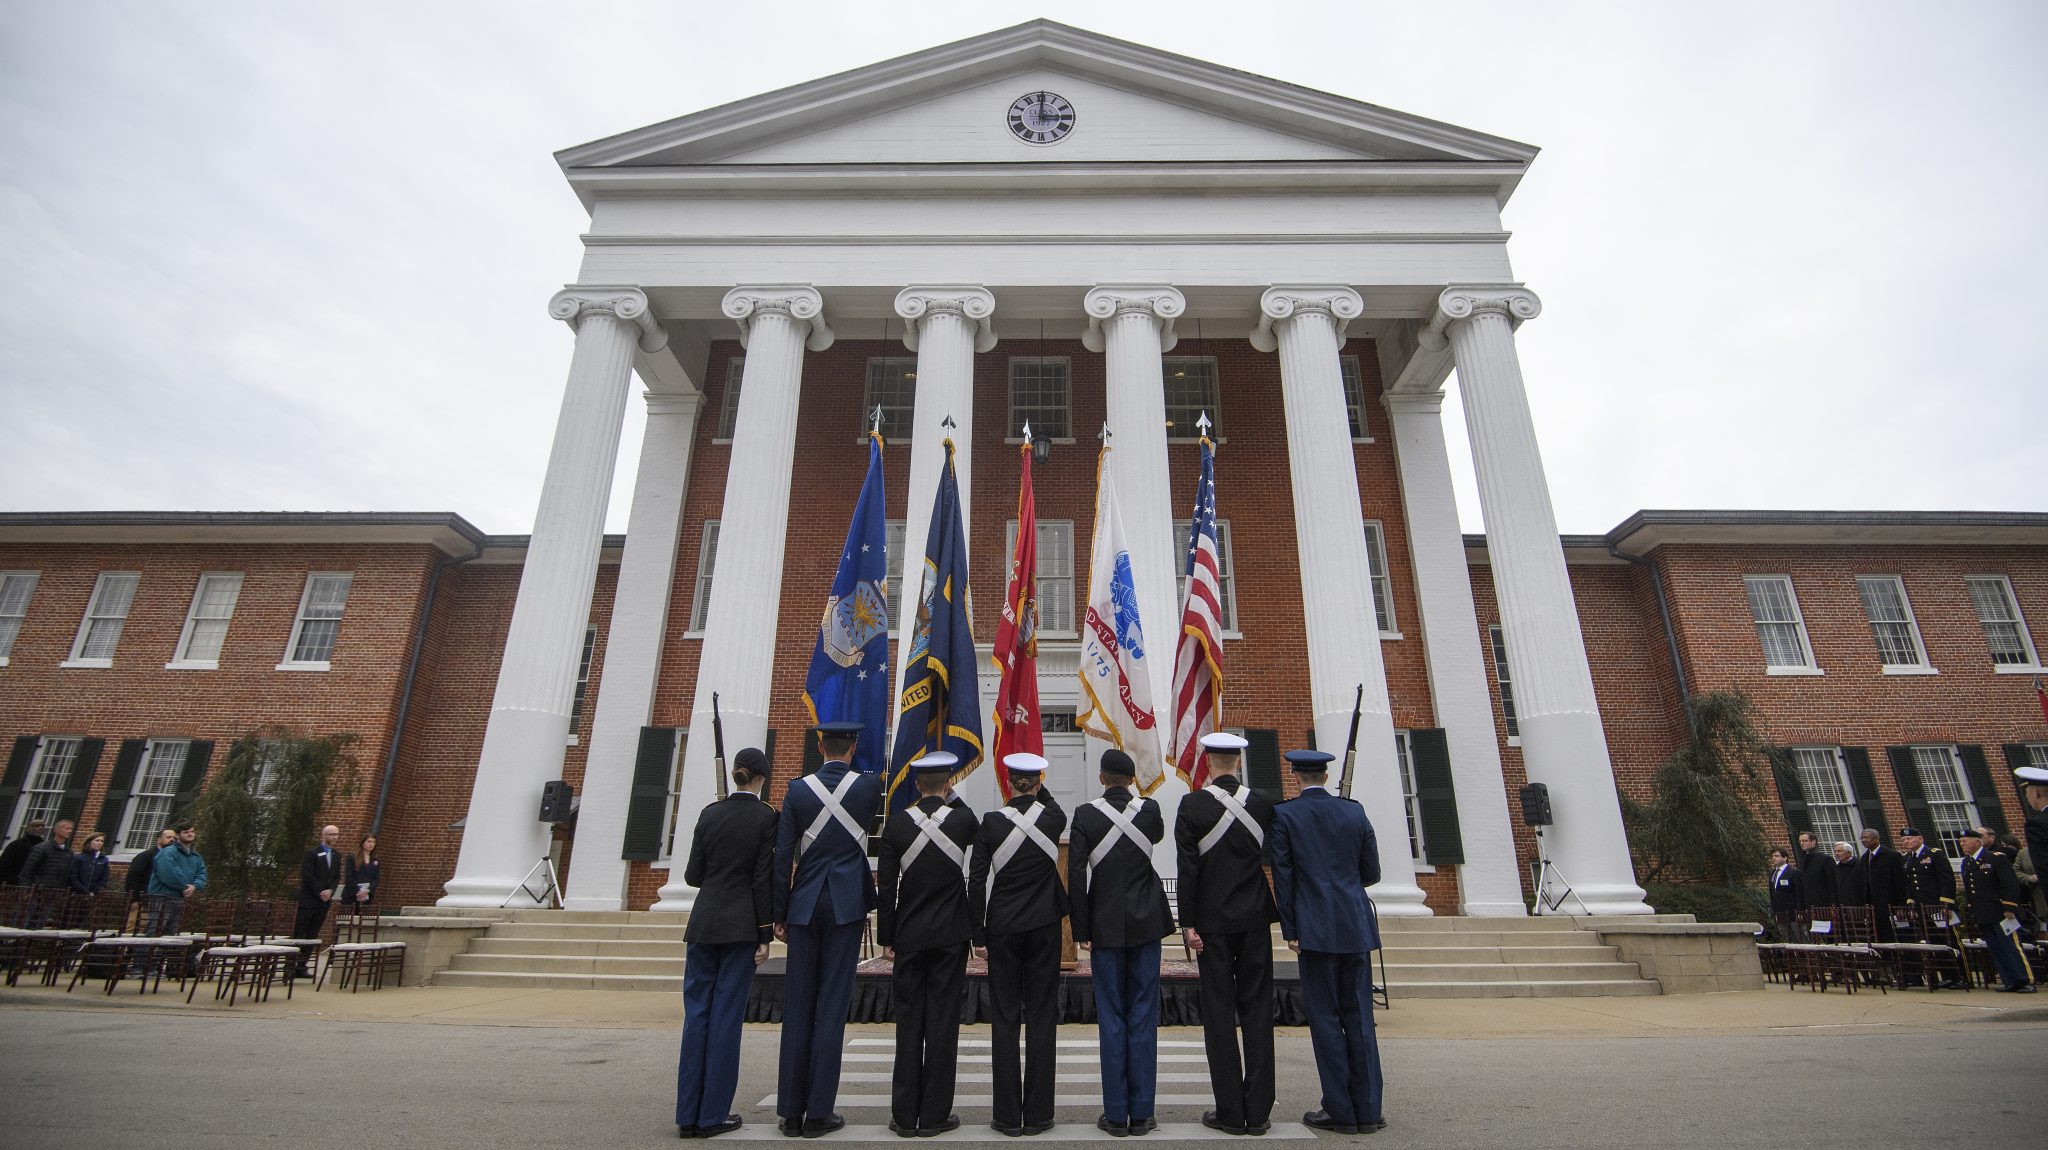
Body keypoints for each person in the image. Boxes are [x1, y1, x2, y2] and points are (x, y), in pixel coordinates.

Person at [771, 720, 883, 1139]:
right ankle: (819, 1111)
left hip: (803, 905)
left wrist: (778, 912)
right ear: (852, 747)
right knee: (832, 1007)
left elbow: (783, 856)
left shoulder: (797, 790)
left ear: (819, 745)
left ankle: (790, 1112)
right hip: (846, 904)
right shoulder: (869, 787)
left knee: (798, 1006)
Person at [1272, 749, 1385, 1136]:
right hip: (1354, 924)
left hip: (1314, 928)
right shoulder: (1354, 811)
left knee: (1325, 1019)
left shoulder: (1286, 815)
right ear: (1323, 774)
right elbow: (1372, 871)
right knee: (1360, 1018)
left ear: (1295, 776)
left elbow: (1284, 878)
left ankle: (1339, 1108)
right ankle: (1368, 1108)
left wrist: (1291, 929)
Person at [1174, 731, 1278, 1137]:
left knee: (1219, 1015)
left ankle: (1230, 1111)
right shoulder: (1263, 804)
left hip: (1213, 923)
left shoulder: (1192, 804)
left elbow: (1188, 870)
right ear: (1238, 762)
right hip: (1254, 918)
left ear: (1208, 762)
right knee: (1257, 1012)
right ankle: (1259, 1110)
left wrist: (1188, 923)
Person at [1067, 748, 1172, 1138]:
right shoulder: (1150, 810)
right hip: (1147, 921)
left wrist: (1081, 929)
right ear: (1130, 780)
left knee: (1111, 1017)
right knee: (1143, 1013)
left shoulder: (1085, 815)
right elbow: (1157, 836)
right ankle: (1142, 1112)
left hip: (1104, 923)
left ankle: (1115, 1114)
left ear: (1100, 778)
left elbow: (1076, 875)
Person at [676, 746, 779, 1140]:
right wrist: (764, 932)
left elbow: (692, 874)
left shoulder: (709, 813)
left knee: (697, 1017)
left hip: (703, 923)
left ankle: (687, 1114)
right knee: (725, 1020)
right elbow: (761, 878)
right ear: (761, 778)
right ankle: (712, 1114)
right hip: (740, 928)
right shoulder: (766, 817)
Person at [876, 750, 977, 1139]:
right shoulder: (963, 820)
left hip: (909, 934)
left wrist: (887, 937)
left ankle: (904, 1115)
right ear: (948, 783)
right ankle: (934, 1114)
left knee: (908, 1024)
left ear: (917, 784)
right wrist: (950, 797)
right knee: (942, 1024)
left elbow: (887, 886)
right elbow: (975, 826)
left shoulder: (898, 826)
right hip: (951, 934)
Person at [971, 752, 1068, 1138]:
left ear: (1009, 784)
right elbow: (1053, 804)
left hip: (1003, 928)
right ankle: (1040, 1112)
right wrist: (1040, 789)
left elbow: (976, 881)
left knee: (1005, 1019)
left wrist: (977, 934)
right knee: (1043, 1017)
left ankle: (1008, 1116)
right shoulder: (1052, 818)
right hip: (1044, 925)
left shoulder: (991, 823)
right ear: (1039, 783)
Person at [1958, 825, 2035, 993]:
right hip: (1984, 913)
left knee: (2011, 946)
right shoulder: (1967, 862)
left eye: (1965, 841)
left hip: (2001, 912)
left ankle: (2025, 980)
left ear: (1977, 842)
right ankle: (2009, 980)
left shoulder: (1996, 858)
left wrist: (2009, 907)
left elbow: (2009, 885)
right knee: (1995, 948)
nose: (1962, 844)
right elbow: (1971, 890)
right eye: (1960, 842)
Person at [293, 824, 343, 976]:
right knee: (300, 933)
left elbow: (335, 877)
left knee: (312, 934)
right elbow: (307, 875)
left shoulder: (336, 855)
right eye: (331, 834)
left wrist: (331, 890)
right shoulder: (312, 853)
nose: (334, 837)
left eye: (336, 834)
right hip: (309, 900)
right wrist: (319, 891)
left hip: (324, 902)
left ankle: (302, 966)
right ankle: (290, 965)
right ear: (324, 836)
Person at [147, 822, 206, 935]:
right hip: (162, 896)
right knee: (155, 930)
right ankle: (144, 953)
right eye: (186, 832)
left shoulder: (195, 856)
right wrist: (185, 887)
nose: (190, 834)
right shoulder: (168, 852)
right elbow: (168, 873)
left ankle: (164, 953)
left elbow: (202, 873)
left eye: (192, 831)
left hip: (180, 897)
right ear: (178, 836)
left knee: (172, 932)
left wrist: (194, 886)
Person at [20, 818, 77, 928]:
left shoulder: (68, 852)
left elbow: (66, 873)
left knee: (41, 921)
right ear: (56, 830)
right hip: (36, 890)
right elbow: (28, 869)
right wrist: (26, 888)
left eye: (71, 829)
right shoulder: (41, 848)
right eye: (66, 828)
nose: (69, 831)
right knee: (26, 919)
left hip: (52, 892)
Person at [1859, 828, 1907, 941]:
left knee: (1897, 935)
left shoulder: (1891, 856)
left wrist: (1901, 905)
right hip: (1873, 905)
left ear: (1876, 839)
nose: (1863, 840)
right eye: (1862, 838)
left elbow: (1900, 881)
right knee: (1879, 936)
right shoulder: (1864, 859)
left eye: (1866, 837)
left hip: (1890, 904)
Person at [125, 828, 176, 933]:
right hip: (144, 900)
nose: (172, 840)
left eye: (174, 838)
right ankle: (126, 949)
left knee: (155, 929)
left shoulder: (173, 858)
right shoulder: (146, 856)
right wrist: (134, 899)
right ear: (159, 840)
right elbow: (132, 876)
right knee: (136, 927)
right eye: (168, 837)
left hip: (163, 900)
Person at [1795, 831, 1838, 910]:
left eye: (1805, 841)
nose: (1801, 843)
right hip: (1809, 905)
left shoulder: (1825, 859)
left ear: (1813, 841)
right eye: (1800, 841)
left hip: (1824, 904)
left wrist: (1833, 905)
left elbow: (1833, 883)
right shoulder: (1803, 861)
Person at [338, 834, 380, 914]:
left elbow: (376, 878)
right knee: (346, 921)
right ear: (362, 843)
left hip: (366, 896)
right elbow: (349, 877)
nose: (371, 844)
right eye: (369, 841)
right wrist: (359, 891)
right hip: (352, 895)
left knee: (361, 922)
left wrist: (368, 890)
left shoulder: (375, 861)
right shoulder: (352, 858)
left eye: (373, 842)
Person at [1766, 848, 1802, 941]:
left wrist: (1800, 910)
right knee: (1785, 936)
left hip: (1792, 911)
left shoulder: (1794, 872)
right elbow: (1773, 892)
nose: (1773, 858)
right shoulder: (1772, 873)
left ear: (1785, 857)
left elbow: (1799, 892)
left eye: (1776, 856)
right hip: (1779, 911)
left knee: (1798, 936)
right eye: (1772, 856)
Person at [0, 818, 48, 886]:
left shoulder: (45, 847)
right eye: (36, 825)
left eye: (43, 826)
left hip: (35, 884)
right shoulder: (16, 845)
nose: (40, 828)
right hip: (15, 884)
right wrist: (14, 880)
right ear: (29, 828)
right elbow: (4, 865)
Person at [71, 831, 110, 896]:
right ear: (89, 842)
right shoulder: (79, 858)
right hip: (76, 894)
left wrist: (94, 892)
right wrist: (85, 891)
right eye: (97, 840)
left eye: (102, 841)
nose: (100, 843)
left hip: (93, 895)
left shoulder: (104, 860)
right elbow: (73, 876)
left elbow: (104, 879)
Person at [1831, 841, 1867, 911]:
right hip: (1842, 905)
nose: (1836, 854)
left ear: (1849, 852)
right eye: (1835, 851)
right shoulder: (1836, 868)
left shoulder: (1860, 865)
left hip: (1859, 905)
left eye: (1839, 851)